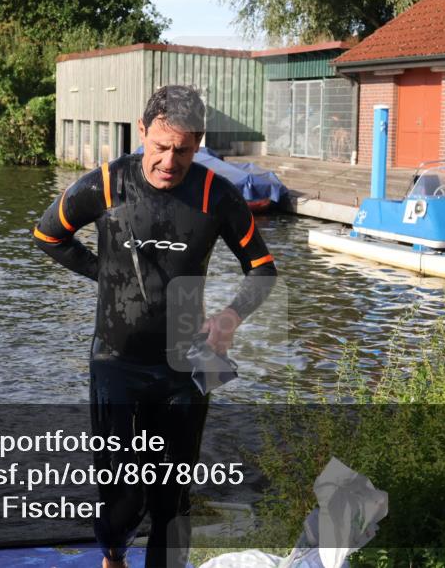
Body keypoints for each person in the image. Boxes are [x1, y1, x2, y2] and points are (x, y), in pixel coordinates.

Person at [34, 85, 277, 568]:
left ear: (199, 142)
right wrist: (104, 271)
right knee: (122, 496)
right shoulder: (106, 184)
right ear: (142, 131)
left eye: (183, 151)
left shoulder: (215, 194)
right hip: (116, 363)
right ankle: (114, 554)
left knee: (172, 499)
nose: (169, 161)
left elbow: (263, 270)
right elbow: (48, 235)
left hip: (186, 365)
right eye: (161, 147)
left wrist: (229, 317)